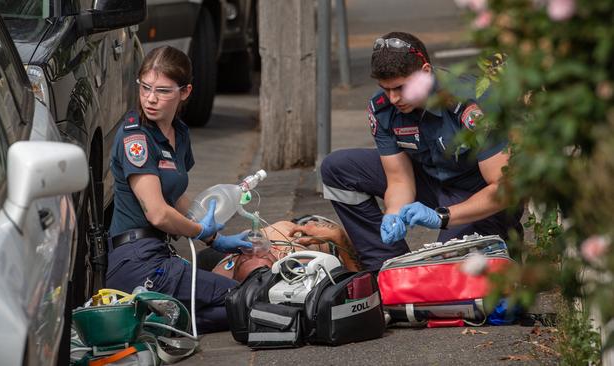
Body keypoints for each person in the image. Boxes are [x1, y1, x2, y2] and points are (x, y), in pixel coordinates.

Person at [320, 31, 523, 272]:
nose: (394, 98)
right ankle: (388, 269)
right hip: (431, 182)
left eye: (400, 88)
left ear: (425, 73)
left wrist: (442, 217)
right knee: (338, 168)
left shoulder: (470, 102)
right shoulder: (382, 108)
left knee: (448, 273)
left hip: (477, 196)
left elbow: (505, 188)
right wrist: (392, 214)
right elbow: (398, 179)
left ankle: (498, 245)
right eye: (386, 89)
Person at [105, 46, 252, 333]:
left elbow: (176, 198)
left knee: (233, 307)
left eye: (162, 91)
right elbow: (158, 214)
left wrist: (215, 238)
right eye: (145, 87)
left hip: (157, 255)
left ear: (185, 93)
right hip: (136, 259)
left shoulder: (179, 133)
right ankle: (154, 318)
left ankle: (157, 321)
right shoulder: (135, 138)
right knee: (241, 298)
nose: (150, 98)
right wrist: (199, 232)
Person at [211, 216, 361, 281]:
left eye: (246, 259)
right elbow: (357, 289)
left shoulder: (223, 272)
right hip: (319, 232)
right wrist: (338, 237)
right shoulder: (300, 264)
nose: (255, 251)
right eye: (263, 257)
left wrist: (213, 239)